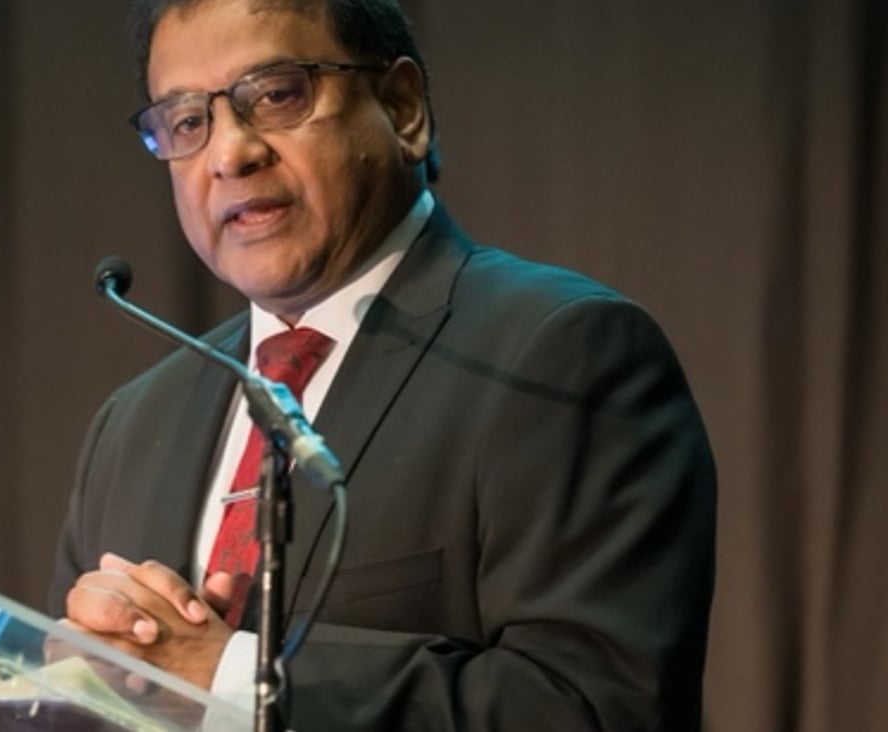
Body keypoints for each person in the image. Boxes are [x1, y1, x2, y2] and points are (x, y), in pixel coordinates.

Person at [49, 0, 717, 729]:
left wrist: (231, 677)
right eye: (186, 122)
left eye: (275, 94)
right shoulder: (133, 423)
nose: (229, 154)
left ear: (402, 108)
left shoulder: (561, 354)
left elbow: (598, 708)